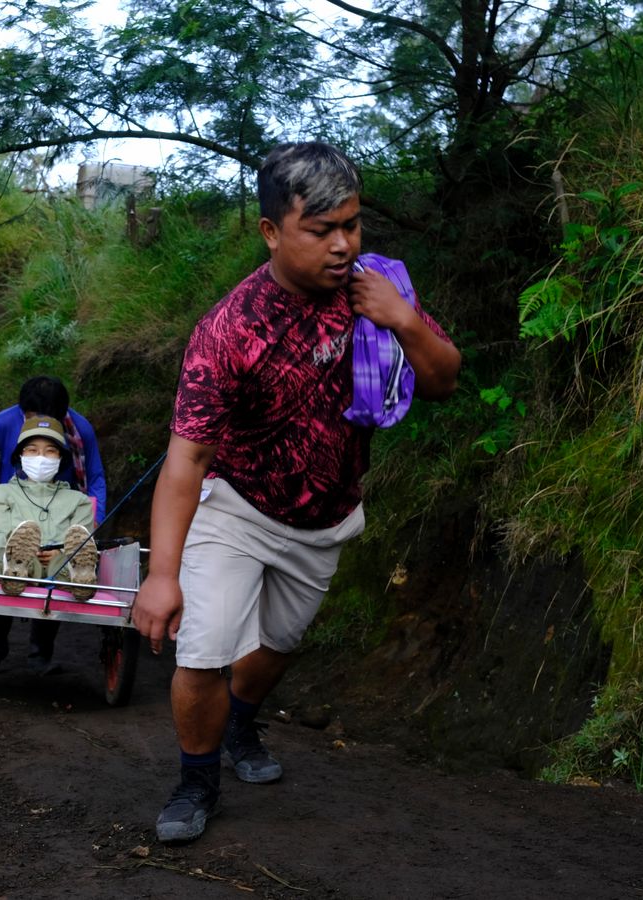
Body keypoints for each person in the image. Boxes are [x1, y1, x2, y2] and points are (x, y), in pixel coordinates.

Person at [132, 142, 461, 843]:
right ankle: (195, 782)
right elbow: (186, 458)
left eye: (352, 224)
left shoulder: (377, 289)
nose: (343, 245)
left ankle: (240, 728)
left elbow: (443, 381)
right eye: (321, 231)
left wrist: (402, 318)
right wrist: (162, 575)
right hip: (240, 510)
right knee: (204, 653)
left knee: (278, 645)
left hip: (328, 516)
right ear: (272, 231)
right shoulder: (229, 331)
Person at [0, 376, 107, 676]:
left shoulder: (80, 431)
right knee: (10, 558)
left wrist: (90, 525)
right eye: (30, 420)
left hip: (59, 509)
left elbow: (95, 477)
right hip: (14, 509)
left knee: (58, 565)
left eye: (50, 448)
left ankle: (41, 651)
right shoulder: (2, 423)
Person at [0, 415, 98, 602]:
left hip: (58, 563)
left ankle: (77, 576)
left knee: (66, 561)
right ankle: (15, 566)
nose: (41, 457)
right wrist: (21, 553)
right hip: (12, 558)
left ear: (60, 457)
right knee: (0, 556)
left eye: (50, 451)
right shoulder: (1, 493)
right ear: (21, 455)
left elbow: (82, 538)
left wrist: (59, 554)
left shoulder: (78, 500)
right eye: (32, 450)